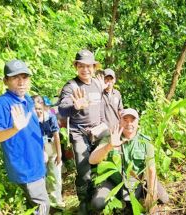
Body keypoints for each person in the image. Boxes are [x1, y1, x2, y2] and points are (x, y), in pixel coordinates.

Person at [0, 60, 50, 215]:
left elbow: (32, 130)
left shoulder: (27, 100)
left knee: (34, 208)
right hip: (25, 169)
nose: (21, 82)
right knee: (43, 207)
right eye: (15, 78)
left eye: (25, 77)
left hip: (37, 163)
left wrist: (41, 151)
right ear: (6, 80)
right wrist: (14, 129)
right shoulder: (1, 104)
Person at [89, 108, 169, 213]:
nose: (129, 123)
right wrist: (109, 146)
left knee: (163, 198)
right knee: (97, 203)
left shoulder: (145, 142)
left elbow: (151, 170)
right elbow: (92, 160)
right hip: (114, 182)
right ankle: (117, 203)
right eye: (125, 120)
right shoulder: (110, 138)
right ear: (120, 121)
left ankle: (140, 199)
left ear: (137, 122)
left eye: (132, 120)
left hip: (137, 182)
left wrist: (151, 194)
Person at [58, 49, 106, 214]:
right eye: (81, 66)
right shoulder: (71, 86)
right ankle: (84, 202)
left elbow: (101, 107)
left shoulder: (97, 84)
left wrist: (103, 124)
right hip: (79, 133)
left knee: (102, 165)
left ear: (94, 67)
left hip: (97, 131)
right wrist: (75, 106)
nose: (85, 70)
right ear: (76, 66)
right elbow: (62, 109)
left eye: (89, 66)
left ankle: (98, 197)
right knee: (83, 169)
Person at [33, 95, 65, 209]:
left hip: (52, 146)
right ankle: (45, 204)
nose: (37, 111)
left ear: (43, 107)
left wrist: (59, 154)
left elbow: (56, 135)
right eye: (35, 109)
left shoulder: (50, 117)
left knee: (56, 175)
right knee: (42, 176)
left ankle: (57, 202)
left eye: (39, 108)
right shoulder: (31, 120)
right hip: (38, 149)